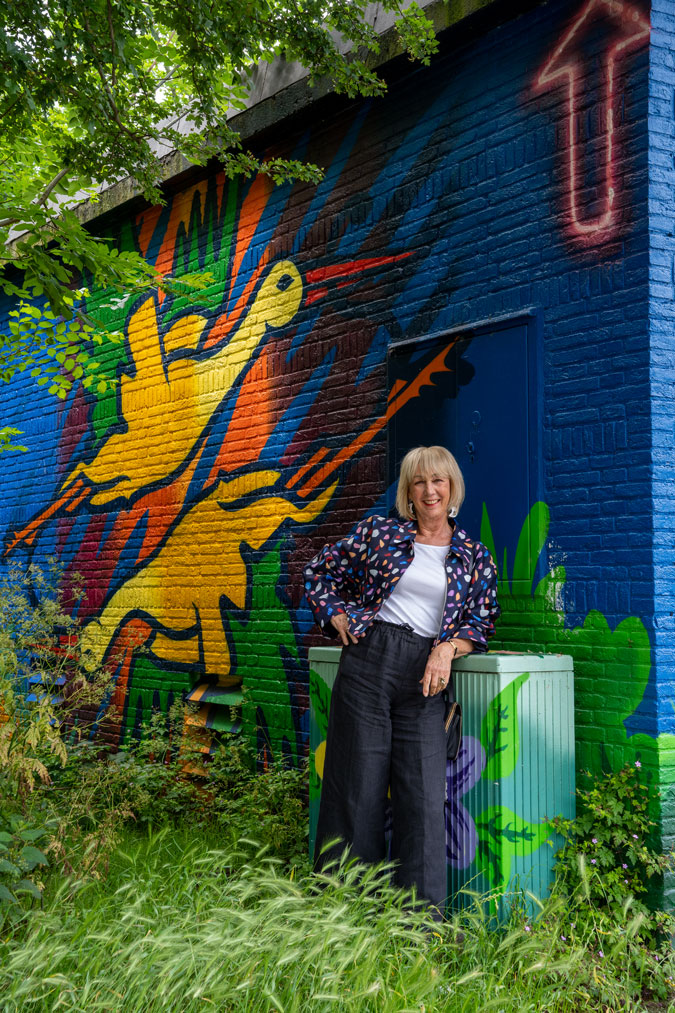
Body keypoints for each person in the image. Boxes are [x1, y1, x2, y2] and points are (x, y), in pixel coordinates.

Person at [303, 445, 500, 917]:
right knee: (357, 789)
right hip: (370, 663)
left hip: (427, 678)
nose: (429, 491)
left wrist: (449, 647)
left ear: (452, 488)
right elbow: (319, 573)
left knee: (424, 798)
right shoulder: (380, 533)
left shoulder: (474, 555)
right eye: (418, 482)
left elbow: (483, 621)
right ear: (408, 492)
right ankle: (341, 910)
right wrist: (338, 618)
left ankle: (420, 924)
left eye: (438, 481)